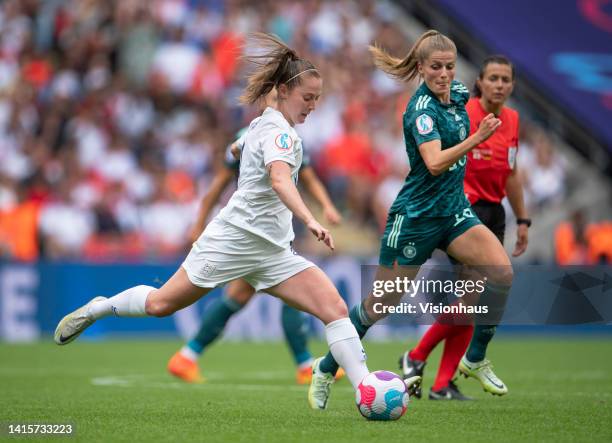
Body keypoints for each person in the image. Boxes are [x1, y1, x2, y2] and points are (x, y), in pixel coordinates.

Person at [54, 33, 371, 405]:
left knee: (333, 309)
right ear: (283, 91)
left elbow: (237, 150)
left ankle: (365, 390)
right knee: (160, 305)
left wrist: (238, 149)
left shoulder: (261, 126)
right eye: (307, 97)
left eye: (317, 98)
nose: (313, 106)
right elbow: (280, 178)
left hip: (272, 251)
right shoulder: (278, 134)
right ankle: (98, 308)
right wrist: (311, 219)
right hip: (231, 241)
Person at [308, 30, 513, 410]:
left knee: (501, 272)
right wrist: (478, 139)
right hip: (416, 216)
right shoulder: (420, 110)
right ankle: (325, 367)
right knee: (380, 305)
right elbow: (434, 163)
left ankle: (475, 357)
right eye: (436, 67)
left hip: (453, 211)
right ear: (421, 68)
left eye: (450, 67)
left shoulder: (461, 96)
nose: (444, 74)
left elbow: (487, 111)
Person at [167, 87, 345, 385]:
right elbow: (218, 186)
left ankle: (187, 356)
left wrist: (326, 206)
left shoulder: (283, 134)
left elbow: (308, 175)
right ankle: (304, 366)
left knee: (239, 295)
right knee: (284, 293)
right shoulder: (253, 135)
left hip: (273, 223)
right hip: (257, 228)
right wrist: (199, 222)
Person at [399, 55, 530, 401]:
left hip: (495, 211)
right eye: (494, 78)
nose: (500, 85)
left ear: (512, 85)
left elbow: (512, 173)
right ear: (480, 83)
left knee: (472, 300)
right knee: (473, 297)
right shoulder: (465, 113)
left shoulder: (513, 120)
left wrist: (523, 218)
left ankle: (440, 381)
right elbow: (440, 159)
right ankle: (419, 358)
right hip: (464, 211)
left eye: (506, 79)